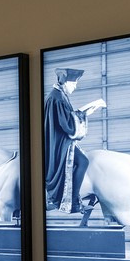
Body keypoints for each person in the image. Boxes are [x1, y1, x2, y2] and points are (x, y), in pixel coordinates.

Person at [43, 68, 106, 213]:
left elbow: (67, 117)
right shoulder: (57, 98)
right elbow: (68, 125)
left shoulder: (59, 95)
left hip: (58, 139)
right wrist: (85, 113)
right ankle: (73, 202)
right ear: (65, 83)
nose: (75, 87)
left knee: (82, 161)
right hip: (59, 142)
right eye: (74, 84)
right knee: (83, 162)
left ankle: (75, 200)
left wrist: (84, 112)